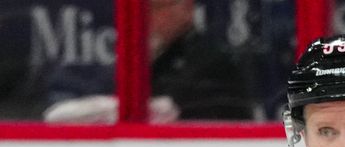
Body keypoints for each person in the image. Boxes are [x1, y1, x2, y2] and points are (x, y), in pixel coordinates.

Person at [43, 0, 252, 123]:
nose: (149, 18)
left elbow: (170, 109)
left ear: (186, 9)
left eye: (157, 8)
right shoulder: (150, 59)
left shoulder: (209, 60)